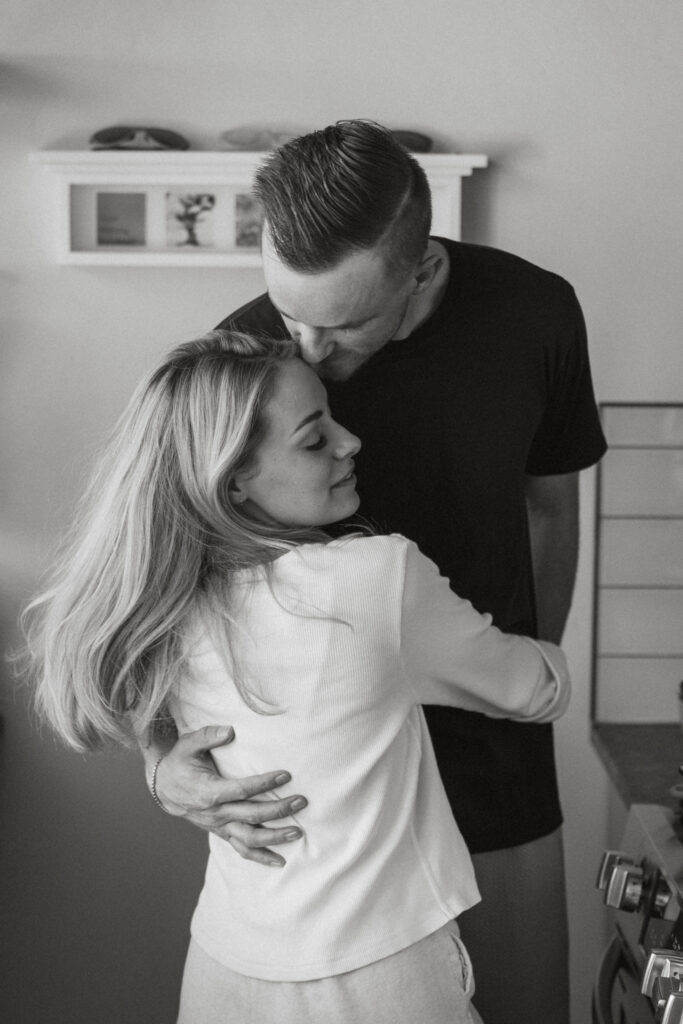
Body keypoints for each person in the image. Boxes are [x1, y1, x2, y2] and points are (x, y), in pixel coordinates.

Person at [142, 120, 608, 1024]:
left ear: (422, 271)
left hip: (493, 746)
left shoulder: (536, 313)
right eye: (289, 314)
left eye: (344, 324)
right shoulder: (246, 355)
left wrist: (524, 666)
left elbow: (551, 506)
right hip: (322, 801)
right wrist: (162, 761)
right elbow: (176, 576)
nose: (307, 354)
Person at [21, 330, 571, 1024]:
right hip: (379, 980)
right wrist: (546, 652)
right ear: (233, 480)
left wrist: (163, 776)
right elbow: (535, 691)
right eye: (315, 440)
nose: (351, 443)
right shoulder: (375, 579)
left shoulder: (161, 600)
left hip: (224, 972)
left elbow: (156, 733)